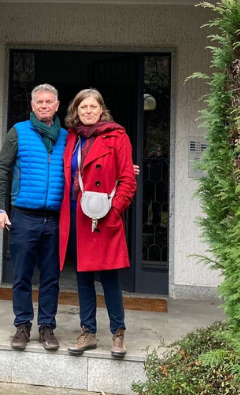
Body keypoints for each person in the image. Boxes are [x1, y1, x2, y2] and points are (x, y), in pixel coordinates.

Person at [59, 89, 137, 357]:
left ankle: (118, 333)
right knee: (83, 278)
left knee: (109, 278)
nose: (88, 111)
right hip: (77, 216)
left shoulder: (117, 136)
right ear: (76, 111)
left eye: (93, 106)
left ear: (101, 109)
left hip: (103, 217)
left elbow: (127, 180)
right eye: (83, 107)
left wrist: (113, 212)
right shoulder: (72, 138)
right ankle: (88, 332)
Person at [0, 84, 66, 351]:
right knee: (22, 275)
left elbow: (86, 166)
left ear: (57, 106)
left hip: (54, 219)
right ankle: (22, 325)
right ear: (32, 106)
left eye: (49, 101)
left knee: (51, 277)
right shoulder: (19, 132)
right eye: (39, 102)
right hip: (23, 216)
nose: (44, 105)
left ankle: (47, 327)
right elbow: (1, 170)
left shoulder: (67, 137)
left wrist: (122, 169)